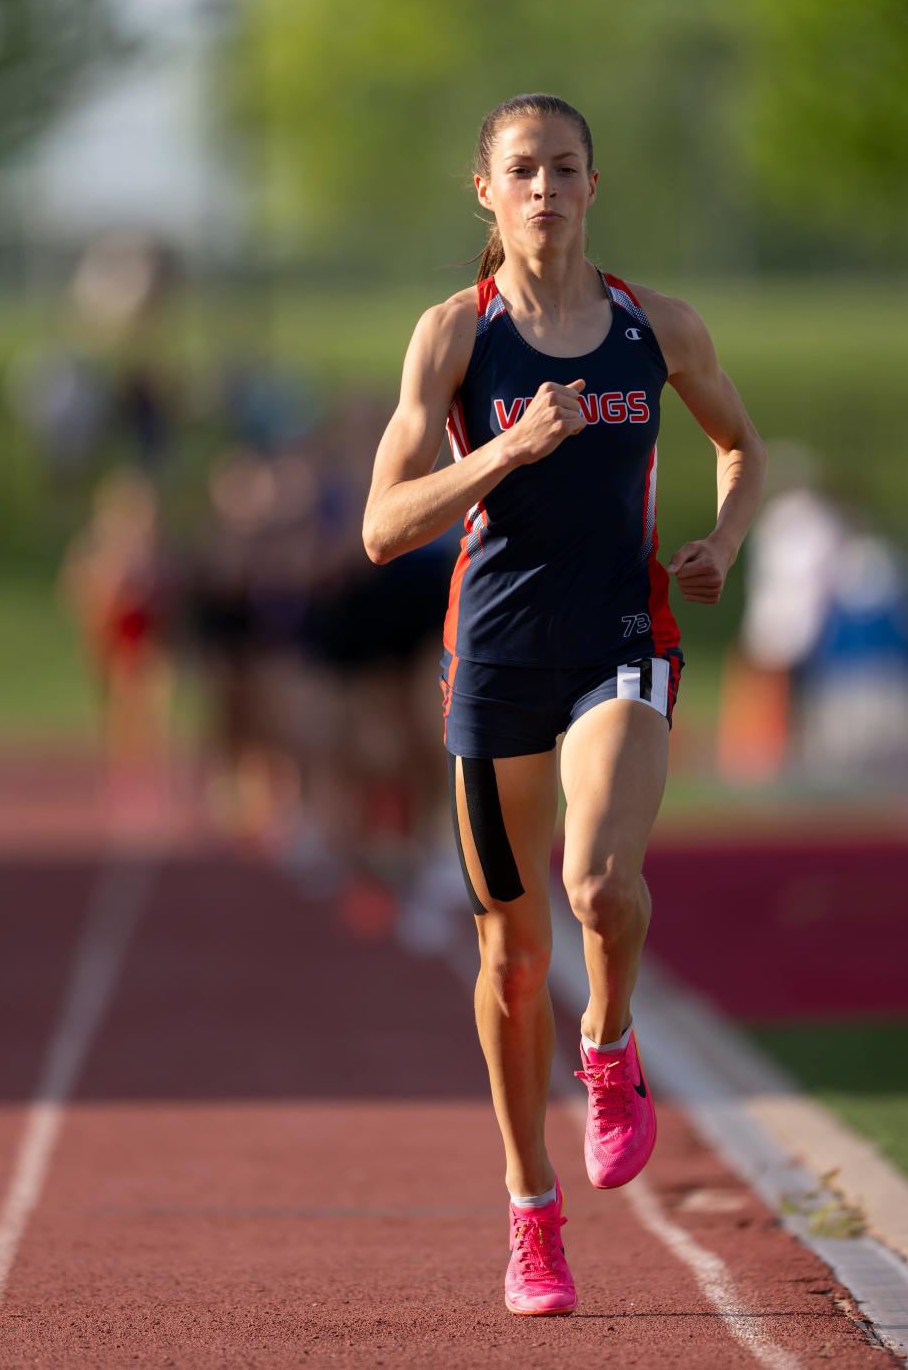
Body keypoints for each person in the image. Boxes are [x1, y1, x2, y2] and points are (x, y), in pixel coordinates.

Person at [362, 94, 766, 1317]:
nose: (546, 188)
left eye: (566, 167)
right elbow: (383, 527)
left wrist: (724, 541)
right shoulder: (453, 338)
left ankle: (611, 1049)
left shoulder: (658, 328)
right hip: (494, 659)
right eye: (523, 170)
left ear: (597, 185)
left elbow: (742, 448)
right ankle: (531, 1212)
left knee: (597, 883)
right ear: (485, 192)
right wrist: (500, 452)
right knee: (512, 951)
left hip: (624, 636)